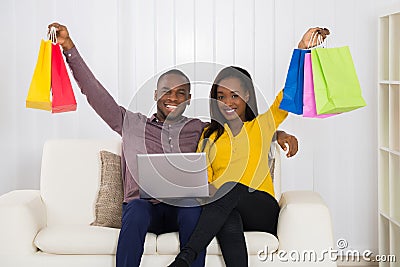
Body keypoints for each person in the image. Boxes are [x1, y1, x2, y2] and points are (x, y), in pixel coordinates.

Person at [47, 22, 300, 267]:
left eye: (181, 93)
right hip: (144, 209)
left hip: (182, 209)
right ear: (155, 95)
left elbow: (239, 129)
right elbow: (94, 92)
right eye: (167, 91)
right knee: (135, 209)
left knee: (192, 208)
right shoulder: (130, 123)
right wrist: (69, 48)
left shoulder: (200, 130)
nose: (173, 97)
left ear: (189, 99)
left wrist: (276, 133)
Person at [168, 28, 330, 267]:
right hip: (224, 207)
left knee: (231, 189)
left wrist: (302, 50)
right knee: (229, 218)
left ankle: (184, 259)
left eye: (234, 96)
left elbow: (289, 94)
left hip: (261, 208)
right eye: (220, 96)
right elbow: (205, 180)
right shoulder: (208, 135)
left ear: (246, 95)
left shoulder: (262, 126)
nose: (227, 103)